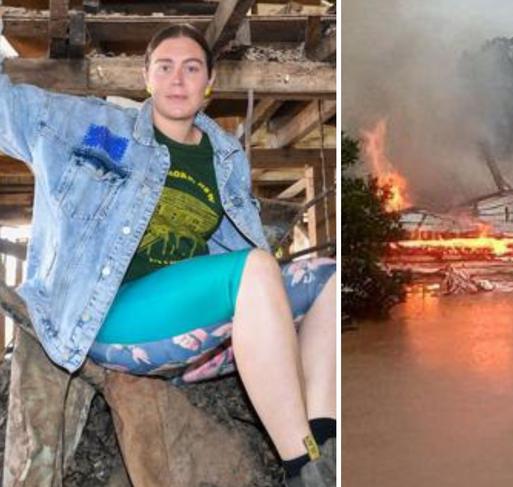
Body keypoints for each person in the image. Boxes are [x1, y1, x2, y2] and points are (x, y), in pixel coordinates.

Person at [1, 23, 336, 486]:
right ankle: (303, 468)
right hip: (110, 318)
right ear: (147, 78)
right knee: (258, 269)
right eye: (165, 67)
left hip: (191, 328)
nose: (178, 79)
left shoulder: (225, 158)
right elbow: (8, 110)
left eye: (191, 68)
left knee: (329, 277)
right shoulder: (96, 128)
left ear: (208, 84)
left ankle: (325, 445)